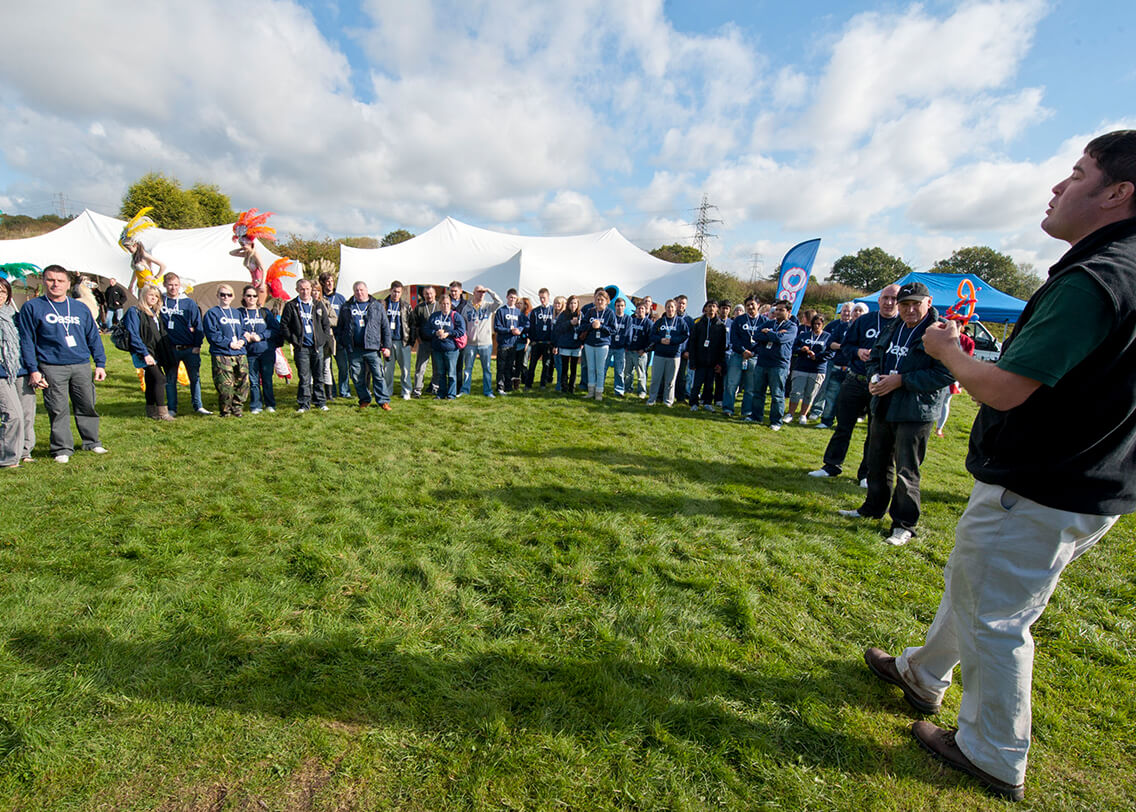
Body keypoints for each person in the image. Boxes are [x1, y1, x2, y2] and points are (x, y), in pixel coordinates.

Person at [864, 130, 1136, 803]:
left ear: (1118, 193)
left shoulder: (1097, 277)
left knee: (996, 615)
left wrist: (950, 350)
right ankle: (922, 673)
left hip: (1042, 481)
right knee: (979, 586)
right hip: (1087, 482)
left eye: (1076, 174)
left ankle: (992, 750)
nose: (1056, 187)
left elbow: (1006, 387)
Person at [837, 282, 952, 544]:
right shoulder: (893, 326)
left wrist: (902, 380)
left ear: (929, 302)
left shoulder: (940, 331)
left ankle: (904, 524)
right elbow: (876, 356)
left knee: (906, 469)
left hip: (915, 411)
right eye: (904, 304)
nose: (909, 310)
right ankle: (872, 508)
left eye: (915, 304)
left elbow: (946, 373)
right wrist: (874, 377)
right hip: (884, 405)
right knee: (877, 462)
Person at [16, 264, 108, 462]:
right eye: (50, 280)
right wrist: (33, 369)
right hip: (52, 366)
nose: (55, 284)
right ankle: (62, 448)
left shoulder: (80, 307)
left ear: (68, 284)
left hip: (81, 363)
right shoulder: (33, 307)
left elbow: (93, 337)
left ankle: (92, 441)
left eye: (60, 281)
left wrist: (100, 363)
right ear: (44, 281)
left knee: (87, 404)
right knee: (58, 409)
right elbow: (27, 341)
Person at [809, 285, 900, 481]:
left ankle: (867, 474)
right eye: (885, 297)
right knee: (843, 427)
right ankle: (831, 466)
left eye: (894, 298)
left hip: (883, 386)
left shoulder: (902, 325)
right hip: (855, 380)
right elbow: (846, 346)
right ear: (879, 299)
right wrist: (858, 352)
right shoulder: (865, 321)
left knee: (875, 432)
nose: (889, 302)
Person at [122, 283, 176, 420]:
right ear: (143, 295)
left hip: (156, 351)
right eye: (151, 295)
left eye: (156, 296)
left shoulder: (154, 313)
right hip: (144, 352)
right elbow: (133, 334)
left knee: (151, 380)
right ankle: (162, 412)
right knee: (160, 378)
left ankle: (151, 411)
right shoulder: (135, 311)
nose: (154, 298)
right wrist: (145, 353)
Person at [160, 272, 210, 416]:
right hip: (170, 349)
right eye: (170, 285)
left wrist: (197, 345)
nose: (173, 288)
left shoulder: (188, 303)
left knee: (195, 378)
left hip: (189, 348)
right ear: (165, 285)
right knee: (170, 379)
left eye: (176, 285)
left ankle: (198, 405)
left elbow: (198, 324)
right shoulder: (160, 300)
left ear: (180, 285)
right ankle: (172, 408)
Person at [338, 281, 392, 411]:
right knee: (357, 377)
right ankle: (364, 399)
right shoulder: (346, 307)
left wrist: (387, 347)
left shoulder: (376, 306)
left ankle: (383, 401)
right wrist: (343, 342)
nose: (359, 292)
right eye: (356, 290)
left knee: (378, 375)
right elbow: (340, 328)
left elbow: (385, 327)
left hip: (372, 348)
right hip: (354, 349)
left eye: (361, 290)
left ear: (367, 290)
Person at [281, 278, 332, 413]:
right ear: (297, 290)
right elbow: (284, 326)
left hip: (317, 346)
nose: (305, 292)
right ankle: (304, 403)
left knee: (318, 376)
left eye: (307, 289)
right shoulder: (291, 305)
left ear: (311, 289)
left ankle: (320, 401)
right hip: (301, 347)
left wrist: (323, 339)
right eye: (302, 289)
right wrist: (294, 340)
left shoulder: (318, 305)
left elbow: (326, 324)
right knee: (304, 377)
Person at [748, 299, 797, 430]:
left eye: (781, 310)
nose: (778, 312)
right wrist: (773, 334)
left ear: (789, 312)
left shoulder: (791, 326)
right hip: (763, 361)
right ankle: (756, 416)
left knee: (777, 394)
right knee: (758, 392)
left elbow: (781, 339)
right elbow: (757, 336)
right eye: (777, 309)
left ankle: (776, 421)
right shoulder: (769, 322)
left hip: (779, 364)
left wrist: (768, 333)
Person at [811, 303, 863, 426]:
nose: (856, 313)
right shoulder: (841, 326)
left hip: (855, 369)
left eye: (860, 311)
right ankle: (827, 420)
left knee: (850, 399)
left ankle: (844, 423)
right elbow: (830, 343)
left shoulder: (866, 329)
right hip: (837, 365)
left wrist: (848, 348)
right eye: (855, 311)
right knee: (831, 395)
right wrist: (847, 347)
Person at [202, 285, 250, 417]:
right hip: (222, 353)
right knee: (225, 385)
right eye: (222, 294)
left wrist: (242, 341)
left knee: (243, 383)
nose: (225, 297)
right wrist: (229, 343)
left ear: (233, 296)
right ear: (217, 296)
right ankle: (225, 410)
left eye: (229, 295)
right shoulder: (212, 313)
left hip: (240, 353)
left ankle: (237, 408)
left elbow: (244, 331)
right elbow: (212, 335)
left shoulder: (237, 313)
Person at [238, 285, 282, 414]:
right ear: (244, 297)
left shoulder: (264, 312)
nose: (251, 298)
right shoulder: (239, 313)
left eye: (254, 296)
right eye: (249, 295)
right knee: (253, 380)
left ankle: (270, 404)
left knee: (267, 379)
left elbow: (275, 330)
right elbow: (235, 328)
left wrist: (260, 336)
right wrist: (245, 334)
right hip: (250, 352)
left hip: (266, 351)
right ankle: (255, 405)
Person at [785, 315, 834, 424]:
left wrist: (817, 356)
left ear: (823, 325)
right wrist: (801, 349)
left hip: (817, 369)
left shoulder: (827, 337)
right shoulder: (805, 335)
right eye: (814, 324)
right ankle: (790, 413)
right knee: (796, 392)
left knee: (810, 394)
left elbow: (830, 353)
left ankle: (803, 415)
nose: (816, 326)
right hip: (801, 367)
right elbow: (793, 348)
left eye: (819, 324)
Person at [0, 278, 27, 467]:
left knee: (25, 415)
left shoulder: (13, 315)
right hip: (2, 373)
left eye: (2, 292)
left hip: (18, 369)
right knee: (12, 414)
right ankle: (8, 458)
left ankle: (24, 452)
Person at [722, 296, 762, 418]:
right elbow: (734, 339)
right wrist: (743, 350)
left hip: (754, 358)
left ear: (758, 305)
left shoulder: (764, 321)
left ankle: (747, 411)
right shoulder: (739, 320)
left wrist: (753, 353)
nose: (750, 307)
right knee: (731, 384)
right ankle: (728, 408)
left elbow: (764, 341)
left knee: (750, 387)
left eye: (752, 304)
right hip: (738, 356)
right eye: (748, 305)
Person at [647, 298, 689, 407]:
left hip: (674, 355)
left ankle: (668, 401)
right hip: (659, 354)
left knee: (670, 381)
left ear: (675, 309)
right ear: (665, 308)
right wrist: (660, 340)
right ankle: (652, 399)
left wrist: (672, 341)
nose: (670, 309)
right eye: (668, 307)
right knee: (656, 379)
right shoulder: (660, 321)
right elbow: (652, 335)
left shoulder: (680, 322)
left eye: (672, 307)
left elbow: (685, 335)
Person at [462, 285, 502, 397]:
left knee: (487, 369)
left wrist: (490, 291)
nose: (481, 294)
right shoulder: (467, 307)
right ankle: (465, 390)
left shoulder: (488, 306)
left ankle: (488, 391)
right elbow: (463, 324)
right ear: (473, 293)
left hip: (486, 343)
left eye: (483, 292)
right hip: (470, 343)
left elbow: (499, 302)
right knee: (468, 368)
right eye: (479, 292)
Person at [577, 289, 616, 400]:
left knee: (600, 369)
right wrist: (591, 325)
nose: (599, 302)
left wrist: (601, 327)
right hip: (590, 344)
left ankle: (599, 392)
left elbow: (613, 330)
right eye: (597, 299)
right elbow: (582, 327)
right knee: (591, 368)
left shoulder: (610, 313)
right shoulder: (590, 312)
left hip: (602, 344)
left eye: (602, 300)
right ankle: (590, 391)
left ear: (606, 301)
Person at [688, 300, 726, 411]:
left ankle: (707, 402)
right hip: (700, 360)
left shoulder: (720, 326)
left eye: (714, 306)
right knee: (697, 383)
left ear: (717, 309)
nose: (711, 309)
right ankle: (693, 403)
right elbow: (692, 343)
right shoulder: (698, 324)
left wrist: (720, 362)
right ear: (705, 308)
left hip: (713, 361)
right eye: (709, 306)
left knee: (709, 384)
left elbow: (722, 346)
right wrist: (693, 361)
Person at [425, 294, 465, 399]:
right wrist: (435, 332)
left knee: (451, 373)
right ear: (439, 304)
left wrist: (448, 333)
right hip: (437, 349)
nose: (445, 306)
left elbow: (461, 331)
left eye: (447, 304)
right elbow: (426, 329)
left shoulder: (456, 316)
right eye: (443, 304)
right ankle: (441, 393)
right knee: (441, 373)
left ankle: (451, 394)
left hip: (451, 349)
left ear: (450, 304)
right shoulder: (435, 316)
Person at [935, 330, 975, 436]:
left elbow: (967, 361)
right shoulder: (940, 336)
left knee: (945, 401)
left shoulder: (967, 342)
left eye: (958, 323)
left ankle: (939, 428)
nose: (956, 325)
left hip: (954, 374)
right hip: (937, 373)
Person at [319, 271, 349, 399]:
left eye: (332, 281)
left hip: (339, 337)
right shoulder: (320, 299)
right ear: (323, 283)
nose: (330, 284)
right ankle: (332, 391)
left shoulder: (340, 298)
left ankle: (344, 391)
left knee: (343, 366)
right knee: (327, 366)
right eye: (327, 281)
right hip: (326, 337)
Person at [382, 280, 415, 400]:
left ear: (401, 293)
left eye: (398, 292)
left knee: (405, 368)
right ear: (390, 291)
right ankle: (387, 390)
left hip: (402, 341)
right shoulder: (383, 305)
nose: (396, 294)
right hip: (388, 342)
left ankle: (406, 391)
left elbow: (412, 324)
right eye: (394, 291)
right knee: (387, 370)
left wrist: (411, 342)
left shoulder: (406, 306)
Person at [494, 289, 527, 395]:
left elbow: (525, 324)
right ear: (507, 297)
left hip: (514, 344)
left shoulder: (518, 312)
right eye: (511, 297)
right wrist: (510, 330)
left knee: (509, 366)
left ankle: (508, 386)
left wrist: (520, 330)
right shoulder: (501, 311)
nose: (512, 299)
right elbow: (497, 327)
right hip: (503, 343)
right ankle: (500, 386)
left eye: (514, 298)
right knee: (501, 366)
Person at [525, 287, 556, 389]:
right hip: (537, 342)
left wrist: (553, 342)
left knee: (546, 365)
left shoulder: (553, 310)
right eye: (540, 298)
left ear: (548, 297)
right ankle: (528, 384)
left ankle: (543, 384)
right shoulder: (535, 311)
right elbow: (530, 326)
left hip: (548, 343)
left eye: (544, 298)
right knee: (532, 364)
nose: (542, 300)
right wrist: (532, 340)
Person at [552, 295, 583, 394]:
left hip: (576, 345)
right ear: (568, 304)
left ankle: (572, 387)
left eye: (575, 303)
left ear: (577, 304)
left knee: (574, 368)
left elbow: (584, 329)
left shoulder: (581, 315)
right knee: (564, 367)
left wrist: (581, 342)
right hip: (565, 345)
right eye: (571, 303)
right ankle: (564, 387)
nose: (573, 305)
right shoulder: (563, 315)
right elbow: (558, 328)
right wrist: (569, 323)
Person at [412, 285, 439, 398]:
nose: (429, 295)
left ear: (435, 294)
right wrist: (419, 340)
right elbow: (415, 325)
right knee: (420, 367)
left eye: (431, 293)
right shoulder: (419, 307)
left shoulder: (439, 306)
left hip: (438, 343)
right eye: (426, 294)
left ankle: (435, 388)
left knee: (437, 367)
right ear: (423, 295)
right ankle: (417, 390)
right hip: (424, 342)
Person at [625, 301, 652, 399]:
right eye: (639, 309)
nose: (640, 311)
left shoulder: (648, 323)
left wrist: (645, 350)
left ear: (645, 311)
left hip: (640, 353)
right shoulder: (632, 320)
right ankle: (627, 389)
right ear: (636, 310)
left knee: (641, 374)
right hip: (630, 351)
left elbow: (651, 339)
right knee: (627, 373)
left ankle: (642, 391)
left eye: (642, 309)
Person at [608, 297, 633, 397]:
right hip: (609, 346)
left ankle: (619, 390)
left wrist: (626, 345)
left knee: (619, 370)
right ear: (615, 307)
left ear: (625, 307)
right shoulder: (611, 316)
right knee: (604, 368)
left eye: (622, 306)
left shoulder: (628, 318)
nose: (620, 308)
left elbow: (629, 333)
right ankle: (599, 388)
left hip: (620, 348)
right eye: (618, 306)